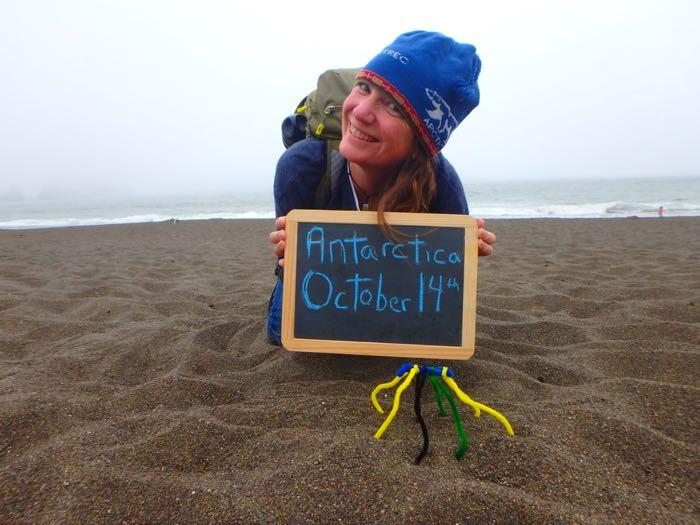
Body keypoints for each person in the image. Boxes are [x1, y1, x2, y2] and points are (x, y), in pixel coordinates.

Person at [267, 31, 496, 345]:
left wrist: (463, 255)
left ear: (421, 141)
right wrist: (291, 253)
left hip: (394, 292)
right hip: (325, 288)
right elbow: (299, 279)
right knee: (282, 332)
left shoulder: (441, 184)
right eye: (363, 87)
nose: (359, 112)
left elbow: (441, 298)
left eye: (394, 107)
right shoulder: (302, 166)